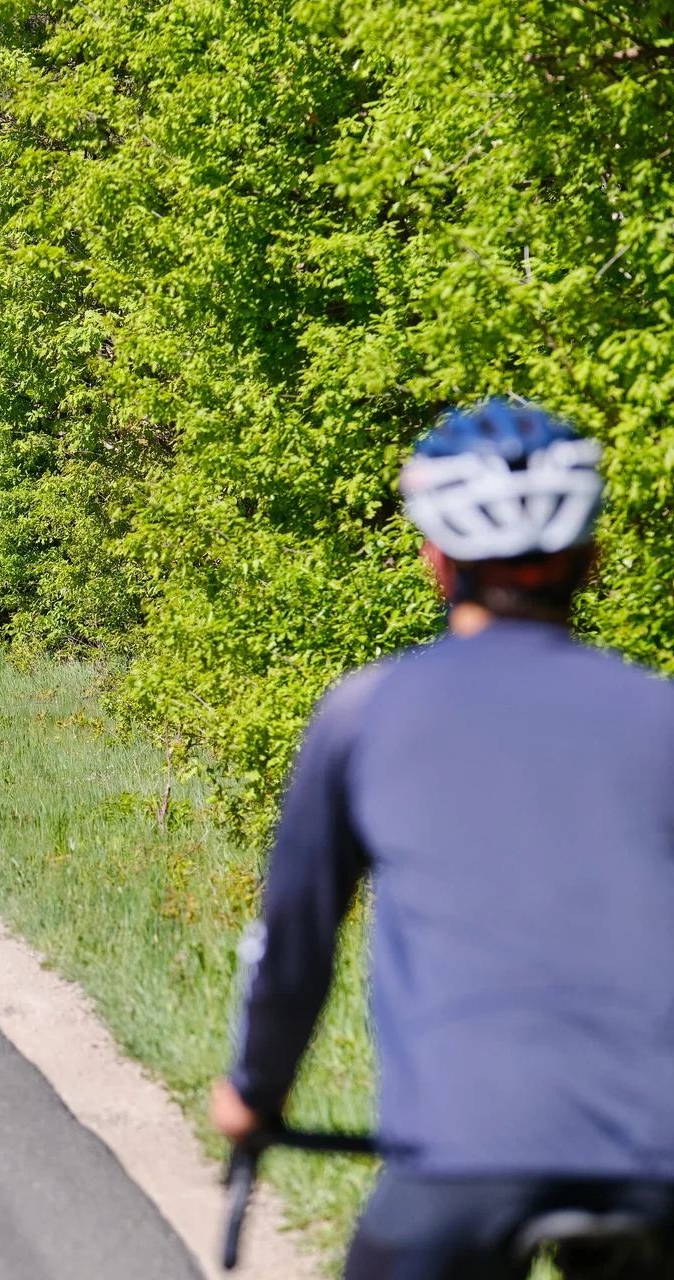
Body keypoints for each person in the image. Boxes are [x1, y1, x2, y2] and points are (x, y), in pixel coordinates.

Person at [209, 399, 674, 1279]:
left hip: (460, 1162)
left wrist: (253, 1092)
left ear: (435, 559)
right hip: (656, 1166)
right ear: (591, 559)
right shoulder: (663, 714)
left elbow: (295, 943)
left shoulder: (365, 713)